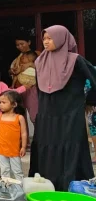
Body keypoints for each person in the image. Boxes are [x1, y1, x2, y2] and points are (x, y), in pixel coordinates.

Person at [28, 25, 96, 191]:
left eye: (50, 38)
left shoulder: (75, 60)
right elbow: (38, 88)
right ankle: (47, 188)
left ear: (61, 39)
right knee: (47, 149)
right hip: (46, 116)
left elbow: (93, 79)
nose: (45, 42)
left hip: (70, 115)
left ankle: (72, 188)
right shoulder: (39, 61)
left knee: (70, 148)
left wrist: (89, 102)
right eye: (44, 38)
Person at [0, 90, 28, 180]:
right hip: (1, 148)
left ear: (14, 104)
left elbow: (24, 133)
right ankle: (6, 188)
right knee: (4, 170)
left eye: (3, 102)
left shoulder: (19, 118)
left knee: (17, 170)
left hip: (14, 149)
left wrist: (23, 147)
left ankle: (19, 189)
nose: (0, 104)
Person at [9, 35, 40, 123]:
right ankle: (24, 136)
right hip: (19, 90)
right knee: (20, 117)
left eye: (22, 43)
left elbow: (44, 68)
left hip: (31, 88)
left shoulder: (37, 54)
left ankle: (40, 136)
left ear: (29, 42)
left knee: (34, 115)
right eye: (17, 45)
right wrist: (12, 71)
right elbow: (11, 70)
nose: (20, 46)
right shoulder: (18, 58)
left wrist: (30, 64)